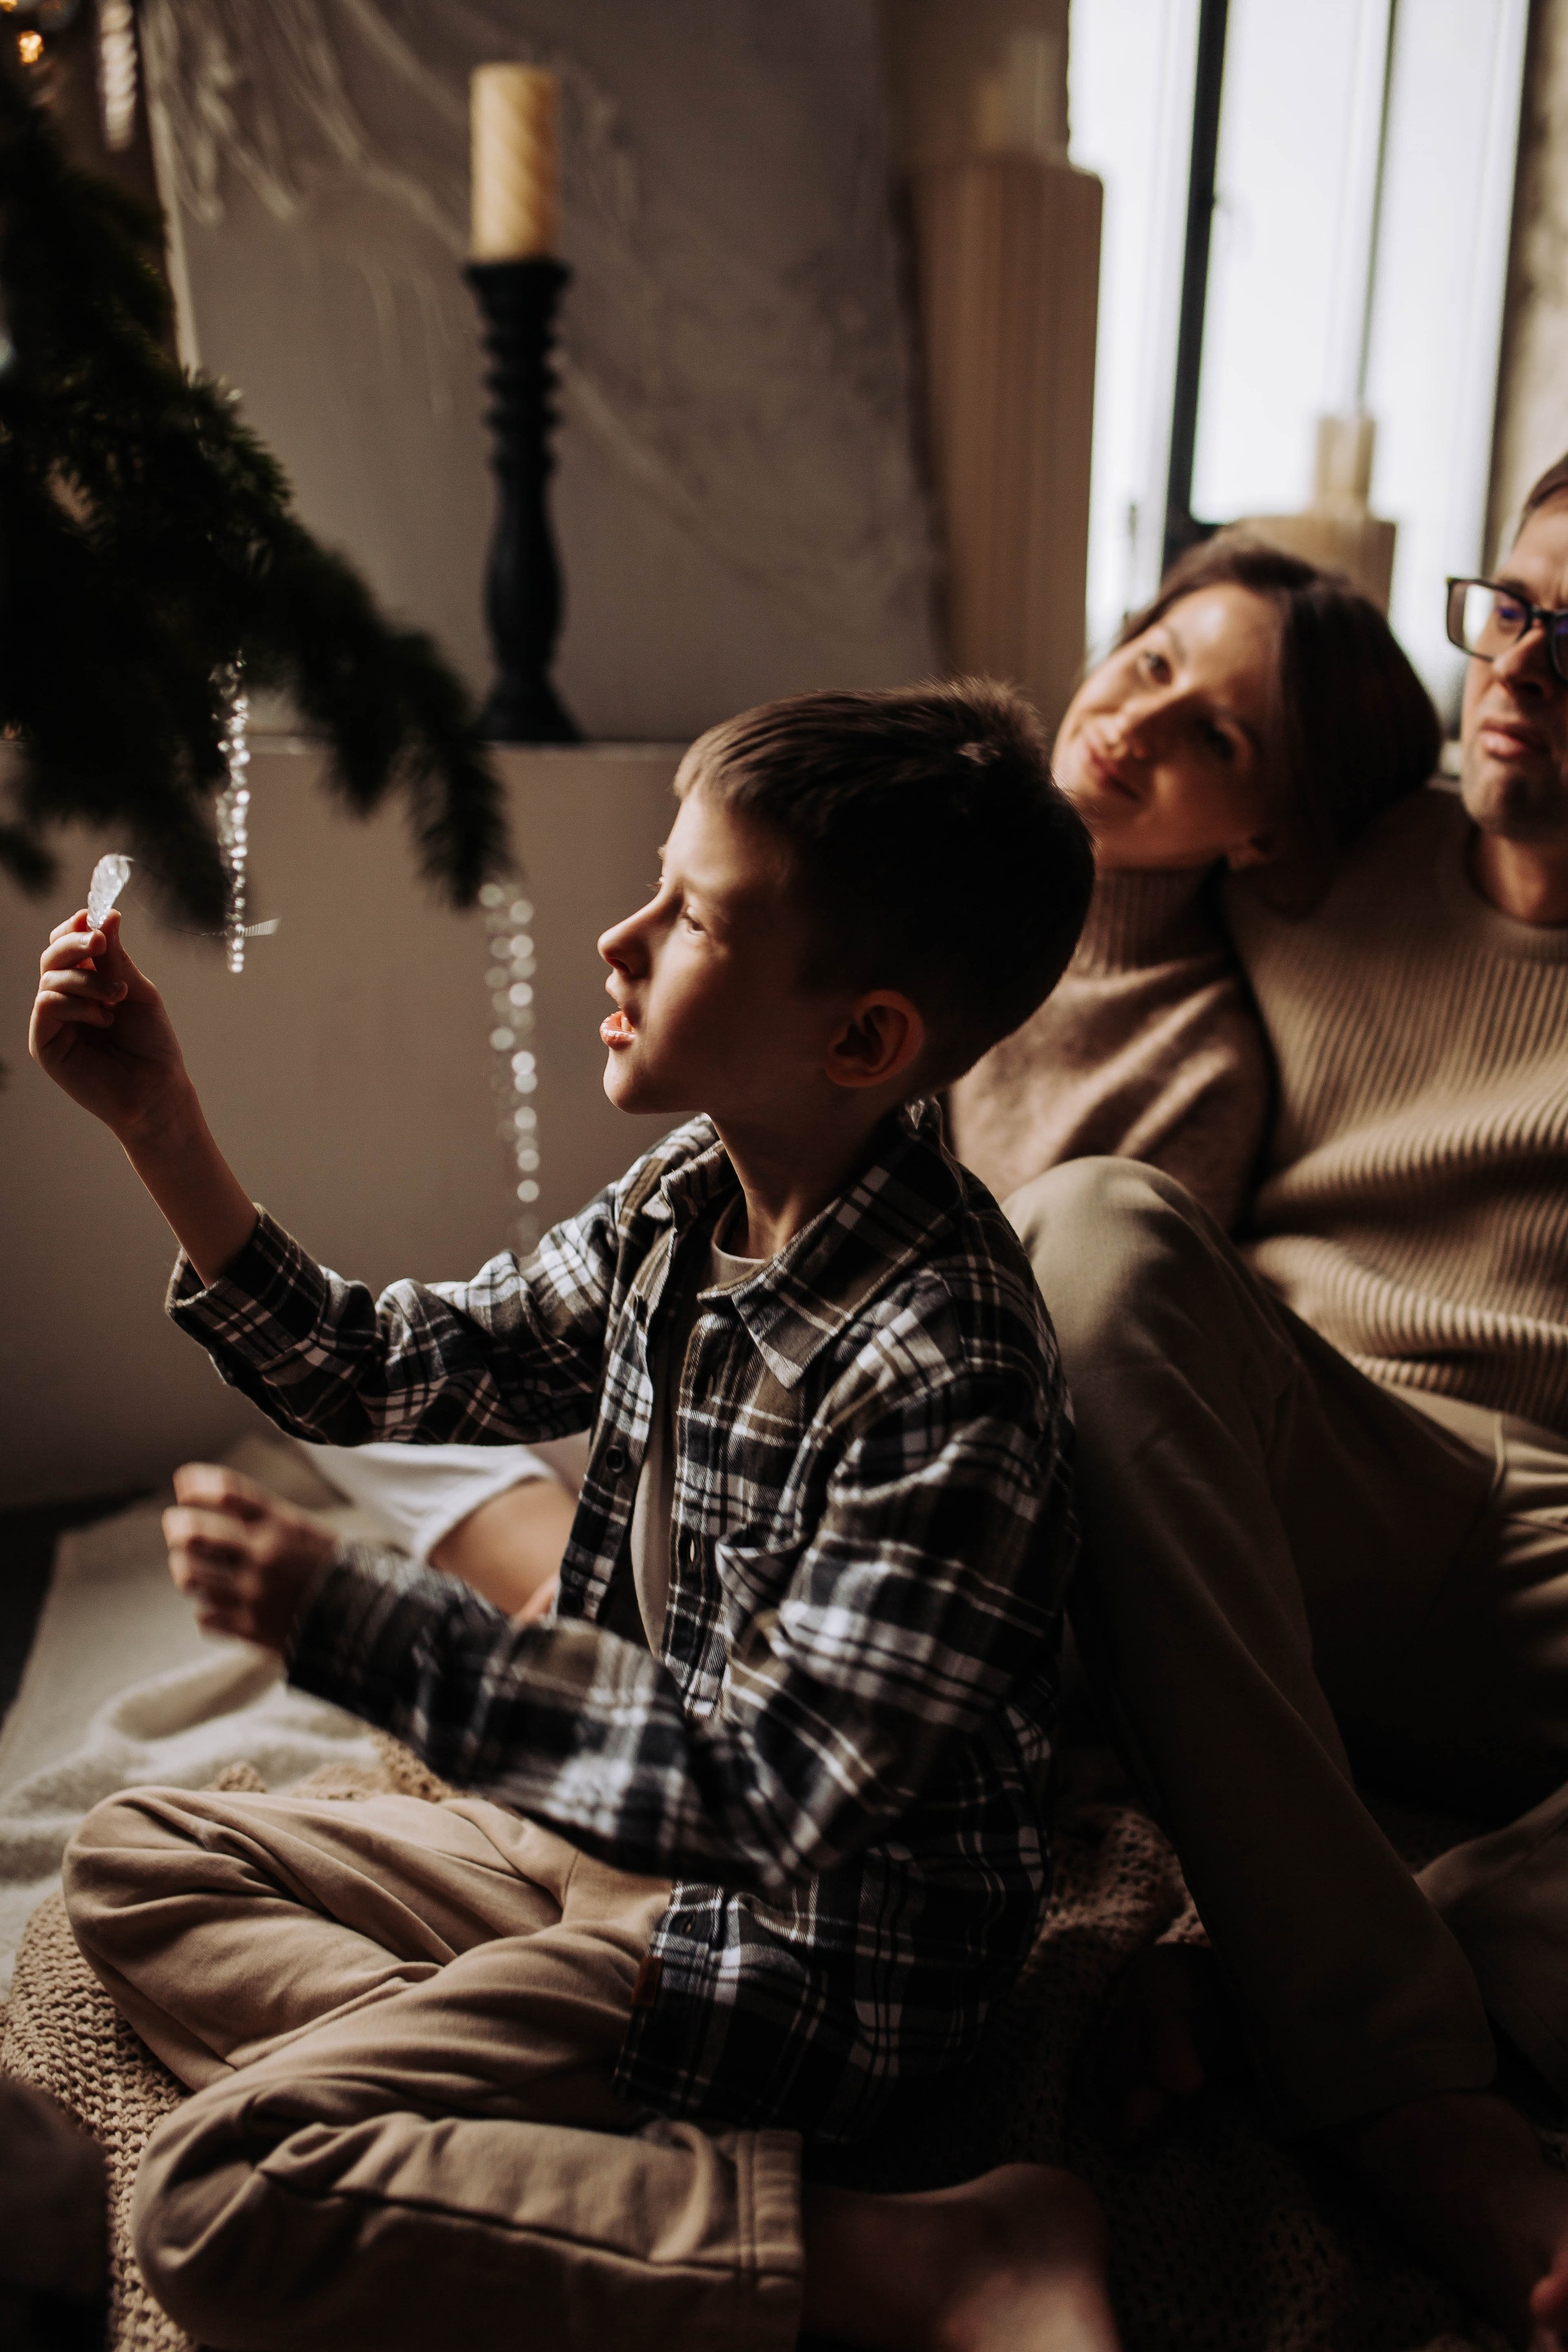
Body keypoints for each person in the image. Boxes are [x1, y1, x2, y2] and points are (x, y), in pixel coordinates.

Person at [29, 681, 1117, 2352]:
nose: (618, 936)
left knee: (210, 2196)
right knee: (132, 1862)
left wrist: (373, 1632)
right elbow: (392, 1372)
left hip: (808, 1947)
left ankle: (943, 2259)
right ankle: (513, 2148)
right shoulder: (691, 1196)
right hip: (597, 1852)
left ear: (864, 1041)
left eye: (687, 917)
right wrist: (159, 1123)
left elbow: (776, 1799)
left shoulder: (944, 1365)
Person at [1005, 455, 1568, 2347]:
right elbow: (1074, 848)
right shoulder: (1323, 833)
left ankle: (1289, 1952)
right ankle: (1407, 2081)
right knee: (1092, 1234)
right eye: (1511, 606)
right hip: (1310, 1453)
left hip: (1550, 1527)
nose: (1521, 668)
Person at [949, 535, 1439, 1229]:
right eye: (1154, 664)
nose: (1137, 725)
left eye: (1215, 738)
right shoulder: (929, 856)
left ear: (1265, 834)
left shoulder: (1200, 1072)